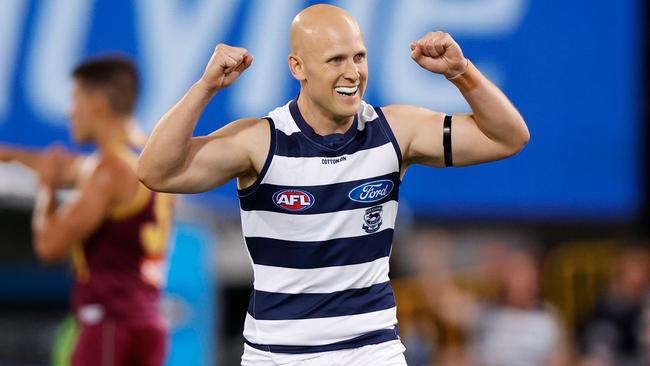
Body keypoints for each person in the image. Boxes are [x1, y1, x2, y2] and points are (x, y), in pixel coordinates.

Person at [137, 4, 529, 365]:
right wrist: (204, 87)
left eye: (359, 56)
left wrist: (462, 72)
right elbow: (156, 171)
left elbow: (508, 137)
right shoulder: (260, 142)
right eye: (336, 60)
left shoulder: (395, 132)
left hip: (372, 351)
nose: (352, 72)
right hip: (277, 355)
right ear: (298, 67)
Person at [0, 56, 173, 366]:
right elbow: (68, 167)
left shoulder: (106, 171)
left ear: (96, 103)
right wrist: (12, 156)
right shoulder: (147, 157)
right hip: (147, 322)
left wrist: (47, 190)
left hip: (108, 323)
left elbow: (49, 246)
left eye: (75, 98)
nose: (70, 111)